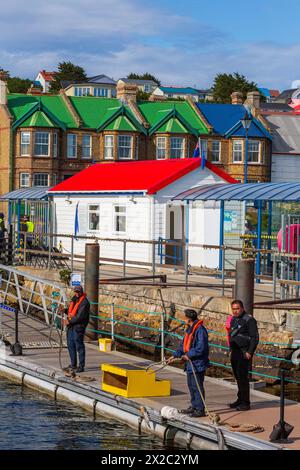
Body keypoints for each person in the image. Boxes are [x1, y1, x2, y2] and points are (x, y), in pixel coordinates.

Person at [167, 309, 209, 418]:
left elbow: (201, 347)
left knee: (197, 385)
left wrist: (188, 355)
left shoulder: (200, 330)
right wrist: (175, 355)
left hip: (197, 363)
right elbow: (183, 346)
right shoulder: (189, 329)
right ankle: (194, 405)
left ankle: (200, 409)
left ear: (189, 318)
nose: (183, 319)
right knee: (191, 385)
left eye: (184, 317)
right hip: (190, 364)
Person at [228, 299, 259, 411]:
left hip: (244, 352)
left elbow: (254, 338)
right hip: (235, 352)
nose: (235, 311)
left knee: (243, 378)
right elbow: (231, 334)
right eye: (233, 309)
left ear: (242, 308)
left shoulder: (249, 320)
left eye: (237, 309)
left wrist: (250, 352)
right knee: (237, 377)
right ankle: (240, 399)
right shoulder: (234, 319)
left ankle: (245, 403)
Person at [65, 285, 90, 373]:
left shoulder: (85, 302)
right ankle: (73, 364)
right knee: (70, 345)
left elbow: (80, 316)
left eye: (78, 292)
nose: (76, 293)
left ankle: (81, 366)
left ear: (81, 292)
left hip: (78, 327)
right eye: (75, 291)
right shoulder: (74, 299)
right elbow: (71, 311)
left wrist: (69, 322)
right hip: (71, 326)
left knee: (79, 346)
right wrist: (64, 310)